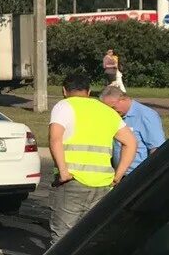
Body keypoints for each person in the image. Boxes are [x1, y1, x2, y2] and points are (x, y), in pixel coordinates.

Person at [48, 74, 138, 244]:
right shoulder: (106, 110)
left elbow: (55, 139)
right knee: (92, 236)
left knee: (62, 239)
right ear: (88, 91)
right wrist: (118, 176)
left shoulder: (64, 106)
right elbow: (131, 143)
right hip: (103, 184)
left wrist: (63, 172)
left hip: (73, 182)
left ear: (64, 91)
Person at [99, 86, 165, 177]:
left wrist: (151, 174)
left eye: (113, 107)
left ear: (123, 99)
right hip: (118, 174)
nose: (111, 112)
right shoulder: (113, 116)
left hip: (139, 175)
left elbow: (156, 148)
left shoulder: (146, 115)